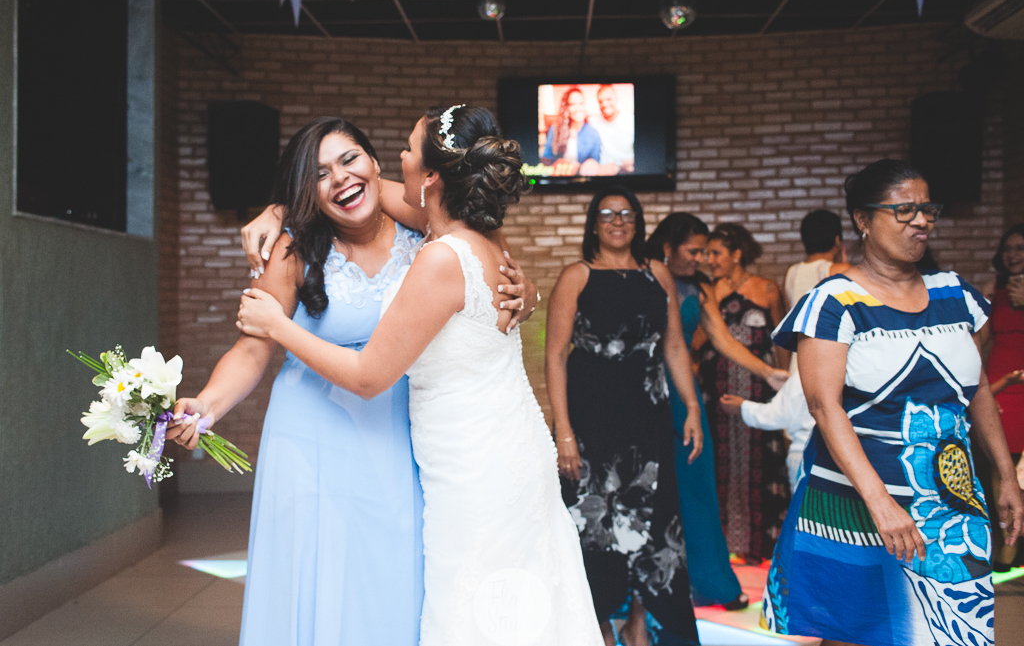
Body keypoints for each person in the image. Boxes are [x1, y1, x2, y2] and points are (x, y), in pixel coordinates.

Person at [235, 105, 604, 646]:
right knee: (516, 599)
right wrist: (279, 207)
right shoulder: (479, 240)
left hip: (471, 462)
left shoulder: (436, 256)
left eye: (407, 151)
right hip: (498, 445)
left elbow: (366, 377)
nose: (397, 160)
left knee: (477, 606)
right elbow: (351, 188)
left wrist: (277, 324)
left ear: (430, 177)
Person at [168, 116, 534, 646]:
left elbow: (486, 253)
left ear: (376, 164)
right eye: (319, 174)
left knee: (391, 570)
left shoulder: (424, 232)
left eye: (349, 159)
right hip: (308, 435)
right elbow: (253, 348)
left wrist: (532, 289)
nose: (339, 179)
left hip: (397, 432)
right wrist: (206, 404)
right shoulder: (292, 251)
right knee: (313, 572)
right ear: (305, 192)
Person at [763, 159, 1024, 646]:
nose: (921, 221)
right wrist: (881, 503)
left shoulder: (955, 294)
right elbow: (825, 407)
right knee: (860, 631)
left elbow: (979, 388)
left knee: (955, 628)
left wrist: (1005, 477)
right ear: (863, 220)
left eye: (928, 209)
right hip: (856, 500)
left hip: (950, 498)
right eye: (904, 210)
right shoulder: (834, 300)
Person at [546, 188, 704, 646]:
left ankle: (638, 623)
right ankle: (598, 627)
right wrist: (565, 435)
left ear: (638, 222)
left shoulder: (657, 274)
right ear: (594, 223)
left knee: (653, 522)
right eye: (608, 214)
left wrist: (691, 406)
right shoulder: (577, 276)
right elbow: (555, 356)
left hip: (648, 416)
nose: (618, 221)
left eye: (627, 214)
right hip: (591, 418)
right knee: (594, 527)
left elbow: (673, 345)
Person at [645, 212, 789, 609]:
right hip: (640, 392)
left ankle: (711, 583)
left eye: (707, 251)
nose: (702, 259)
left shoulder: (700, 288)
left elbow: (722, 339)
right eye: (694, 251)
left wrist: (767, 372)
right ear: (667, 248)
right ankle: (647, 586)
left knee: (697, 484)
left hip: (683, 395)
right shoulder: (643, 277)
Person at [695, 222, 790, 564]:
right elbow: (693, 343)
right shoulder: (706, 291)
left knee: (761, 461)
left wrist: (785, 385)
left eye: (715, 253)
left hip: (758, 390)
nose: (708, 260)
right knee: (719, 462)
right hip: (716, 390)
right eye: (705, 253)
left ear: (736, 255)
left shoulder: (767, 289)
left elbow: (782, 342)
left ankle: (760, 546)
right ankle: (723, 545)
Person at [978, 223, 1024, 571]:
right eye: (1008, 248)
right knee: (1001, 466)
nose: (1013, 254)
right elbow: (978, 345)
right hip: (1002, 386)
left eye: (1020, 248)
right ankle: (1004, 553)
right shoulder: (993, 296)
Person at [720, 372, 814, 492]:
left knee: (803, 504)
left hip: (803, 454)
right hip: (829, 455)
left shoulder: (802, 378)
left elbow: (777, 415)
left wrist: (743, 407)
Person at [784, 210, 850, 373]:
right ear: (837, 240)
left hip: (798, 359)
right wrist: (845, 264)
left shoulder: (791, 273)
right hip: (828, 359)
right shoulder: (841, 270)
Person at [541, 86, 601, 176]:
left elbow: (596, 160)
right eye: (572, 104)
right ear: (566, 108)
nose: (578, 108)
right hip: (558, 179)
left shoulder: (593, 133)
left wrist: (590, 163)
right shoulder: (555, 129)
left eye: (581, 103)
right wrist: (555, 164)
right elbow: (545, 159)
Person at [583, 84, 634, 176]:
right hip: (602, 174)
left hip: (628, 172)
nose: (605, 104)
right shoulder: (594, 124)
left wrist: (619, 165)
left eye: (609, 99)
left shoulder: (631, 121)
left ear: (616, 99)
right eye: (600, 101)